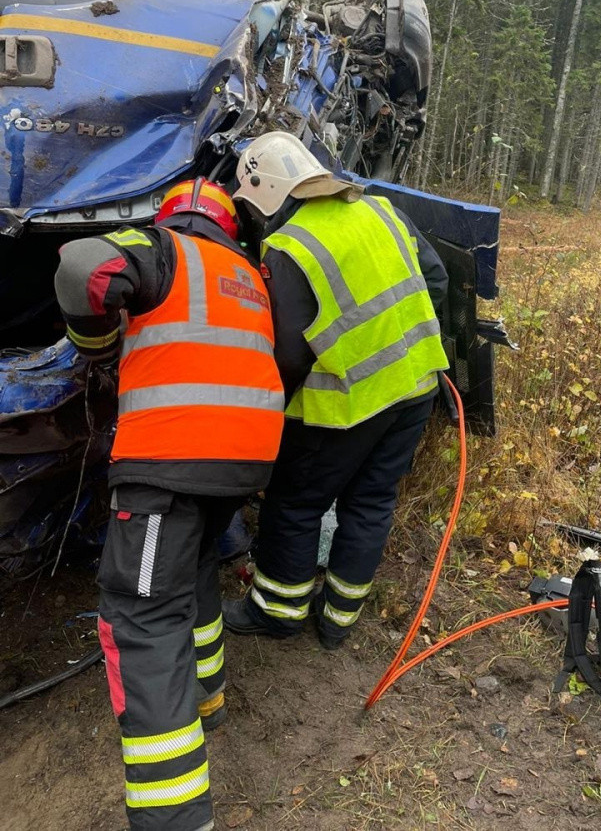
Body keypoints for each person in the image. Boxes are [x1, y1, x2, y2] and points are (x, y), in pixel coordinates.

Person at [54, 178, 284, 831]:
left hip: (169, 465)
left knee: (141, 617)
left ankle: (174, 818)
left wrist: (96, 344)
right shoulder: (248, 276)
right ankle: (208, 699)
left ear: (174, 217)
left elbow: (81, 267)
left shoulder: (164, 249)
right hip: (240, 465)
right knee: (190, 575)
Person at [222, 132, 449, 650]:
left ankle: (277, 611)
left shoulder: (289, 248)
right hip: (415, 386)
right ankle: (338, 619)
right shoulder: (381, 210)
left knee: (295, 505)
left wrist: (261, 422)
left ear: (265, 196)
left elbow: (288, 358)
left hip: (345, 409)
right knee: (371, 501)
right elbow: (433, 282)